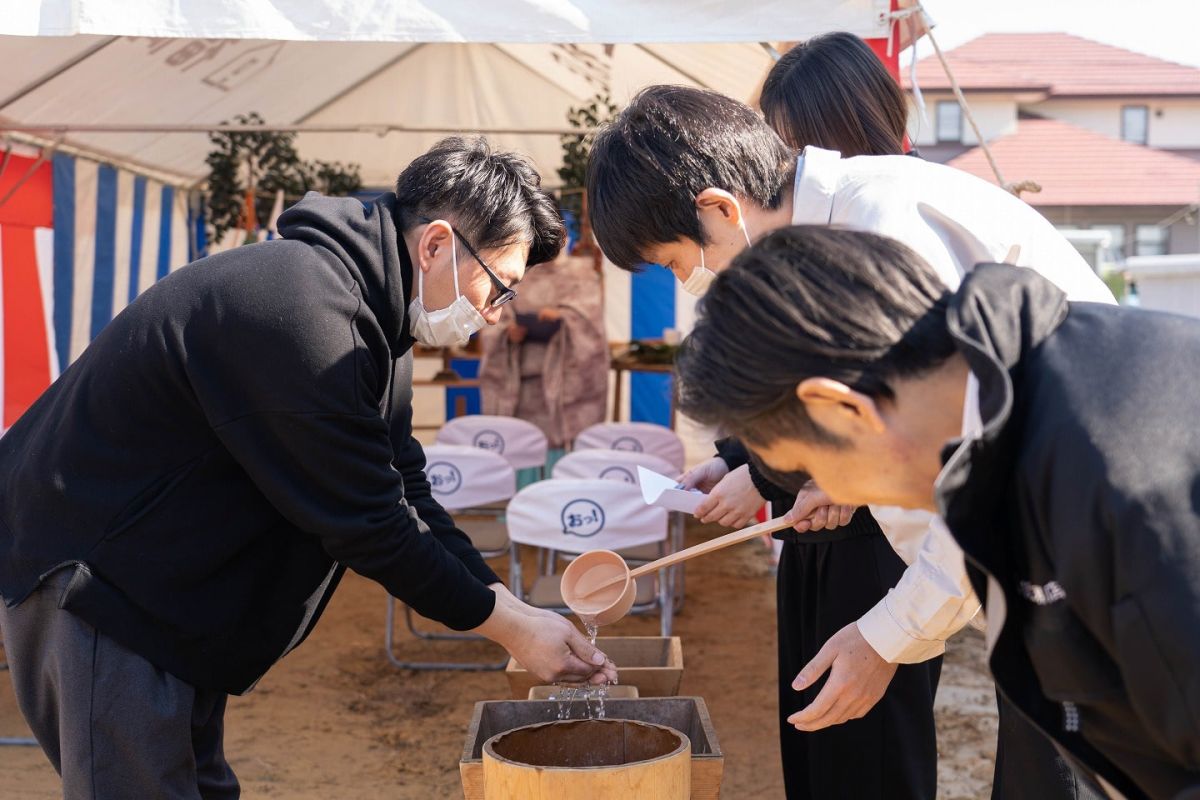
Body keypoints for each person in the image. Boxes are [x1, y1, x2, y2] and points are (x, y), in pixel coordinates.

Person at [0, 136, 616, 800]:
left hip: (172, 589)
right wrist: (512, 628)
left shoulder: (378, 321)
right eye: (498, 287)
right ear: (436, 245)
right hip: (101, 580)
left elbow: (402, 482)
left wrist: (509, 604)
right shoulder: (302, 309)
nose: (497, 315)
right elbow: (366, 521)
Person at [586, 84, 1114, 798]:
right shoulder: (844, 218)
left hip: (1096, 532)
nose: (692, 285)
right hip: (1059, 522)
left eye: (681, 263)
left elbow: (979, 485)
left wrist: (886, 636)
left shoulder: (879, 230)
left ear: (719, 210)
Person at [674, 224, 1200, 800]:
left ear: (841, 409)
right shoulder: (1026, 415)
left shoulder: (1112, 479)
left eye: (809, 469)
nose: (821, 491)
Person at [761, 32, 1107, 800]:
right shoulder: (875, 211)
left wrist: (887, 634)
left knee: (1066, 754)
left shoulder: (884, 222)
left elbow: (967, 469)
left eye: (786, 150)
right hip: (1039, 537)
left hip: (1071, 540)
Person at [478, 245, 608, 468]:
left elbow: (590, 318)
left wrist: (564, 318)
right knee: (522, 441)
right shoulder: (513, 270)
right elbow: (494, 312)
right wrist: (507, 330)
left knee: (565, 449)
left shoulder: (581, 272)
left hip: (567, 380)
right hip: (521, 380)